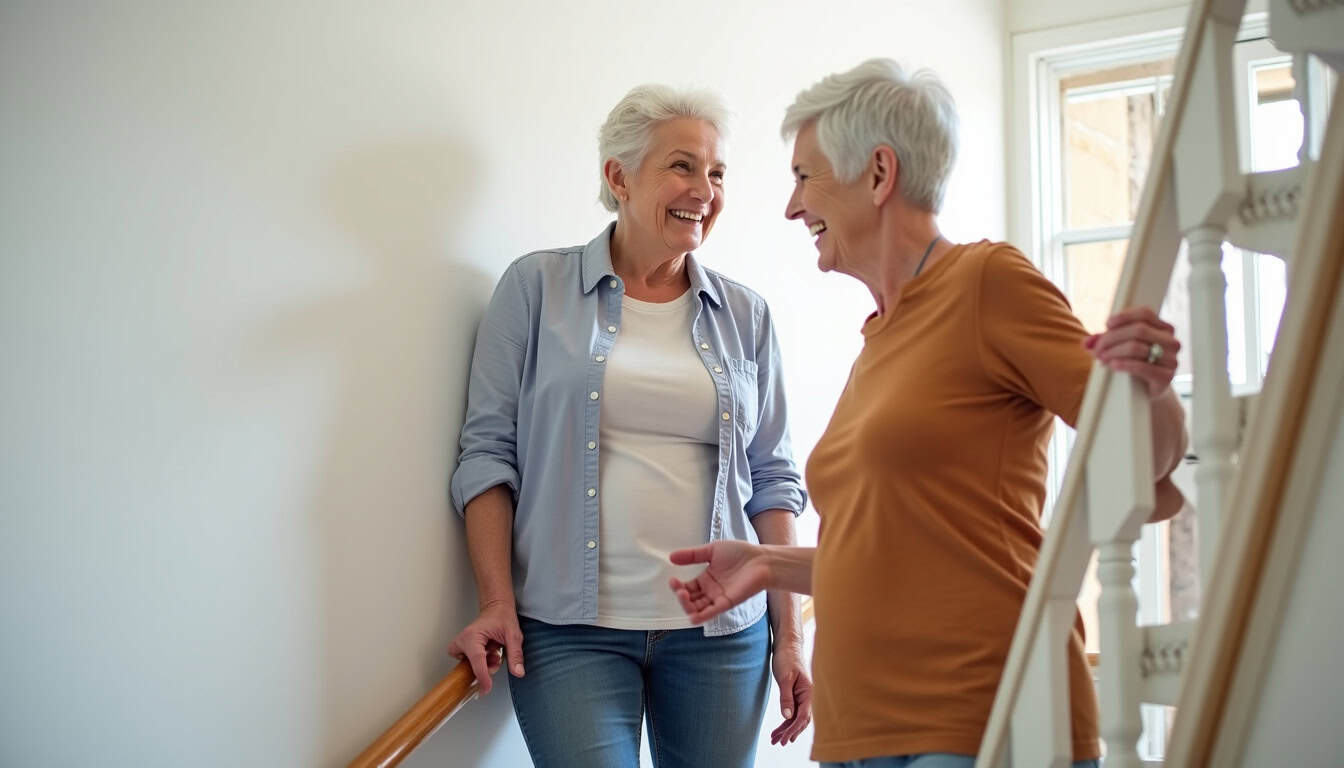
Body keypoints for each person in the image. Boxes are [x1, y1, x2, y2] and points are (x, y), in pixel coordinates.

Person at [668, 59, 1189, 768]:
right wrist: (765, 561)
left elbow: (1138, 455)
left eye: (804, 177)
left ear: (878, 174)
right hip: (864, 730)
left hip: (978, 714)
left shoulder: (986, 283)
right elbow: (901, 553)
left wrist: (1150, 385)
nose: (792, 209)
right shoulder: (879, 339)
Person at [447, 84, 812, 768]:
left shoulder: (747, 316)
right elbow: (487, 456)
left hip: (722, 638)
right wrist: (495, 599)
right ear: (618, 176)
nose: (704, 189)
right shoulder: (535, 290)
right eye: (682, 166)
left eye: (717, 173)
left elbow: (773, 482)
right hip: (568, 634)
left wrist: (789, 635)